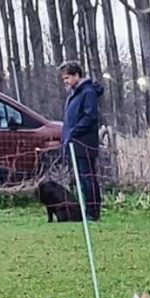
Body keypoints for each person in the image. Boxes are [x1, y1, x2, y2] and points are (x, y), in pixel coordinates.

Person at [58, 60, 105, 218]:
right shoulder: (75, 94)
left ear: (77, 75)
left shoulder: (87, 92)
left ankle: (93, 211)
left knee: (87, 178)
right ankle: (85, 210)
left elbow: (90, 116)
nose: (65, 81)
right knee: (81, 179)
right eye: (64, 79)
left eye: (67, 78)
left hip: (84, 143)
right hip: (74, 143)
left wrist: (74, 132)